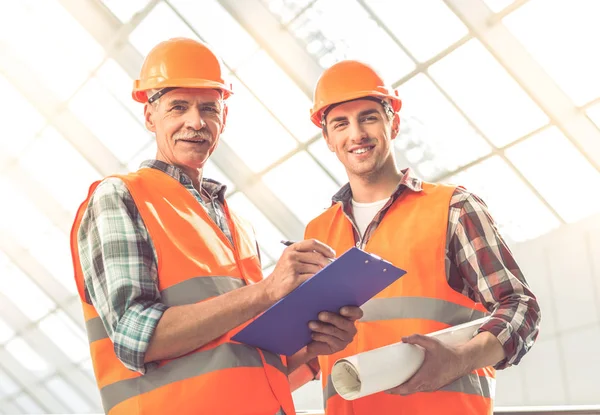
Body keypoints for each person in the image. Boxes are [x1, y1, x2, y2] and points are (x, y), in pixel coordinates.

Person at [70, 38, 362, 415]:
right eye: (179, 107)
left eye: (209, 108)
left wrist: (311, 351)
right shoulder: (121, 196)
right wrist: (268, 290)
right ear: (149, 116)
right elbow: (136, 338)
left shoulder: (236, 225)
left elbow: (240, 363)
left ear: (223, 119)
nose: (196, 122)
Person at [301, 60, 541, 415]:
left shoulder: (453, 209)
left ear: (393, 123)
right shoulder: (316, 234)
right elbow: (311, 345)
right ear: (328, 139)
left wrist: (458, 359)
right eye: (341, 123)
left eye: (368, 117)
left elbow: (521, 307)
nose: (356, 134)